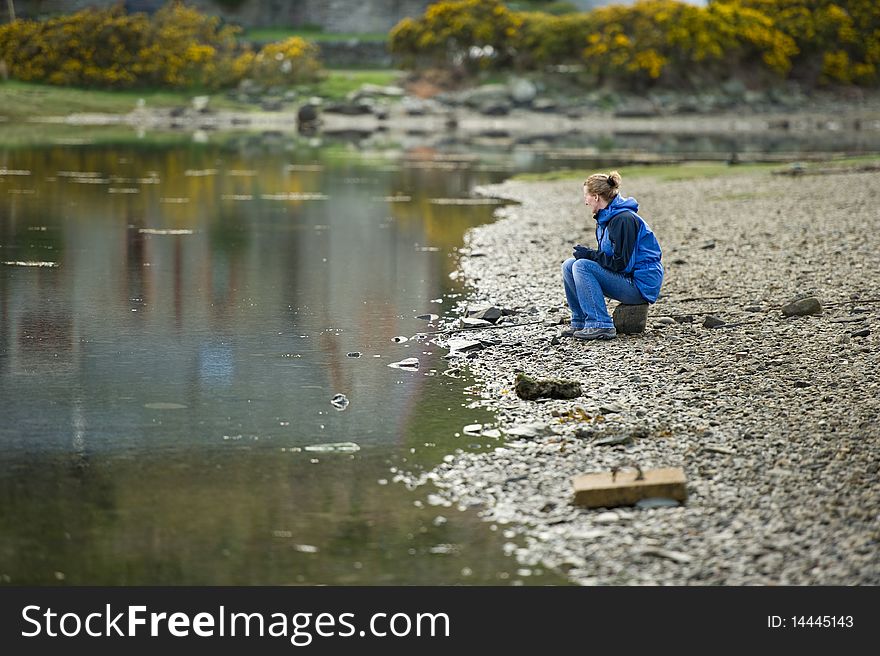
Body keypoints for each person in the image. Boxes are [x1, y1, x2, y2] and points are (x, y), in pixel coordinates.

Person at [560, 171, 663, 340]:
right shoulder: (607, 218)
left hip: (640, 285)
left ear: (596, 197)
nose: (585, 201)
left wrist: (591, 255)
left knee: (581, 265)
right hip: (627, 278)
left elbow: (623, 264)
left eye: (586, 196)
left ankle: (600, 325)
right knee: (569, 265)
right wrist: (590, 255)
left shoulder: (623, 220)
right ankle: (581, 322)